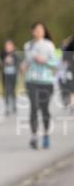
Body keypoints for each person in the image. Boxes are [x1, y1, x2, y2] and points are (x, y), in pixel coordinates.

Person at [22, 22, 59, 150]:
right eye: (36, 29)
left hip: (46, 81)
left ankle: (46, 134)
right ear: (32, 31)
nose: (38, 32)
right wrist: (23, 66)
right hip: (31, 81)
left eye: (41, 29)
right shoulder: (28, 46)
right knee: (33, 107)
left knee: (44, 109)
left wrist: (45, 61)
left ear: (44, 32)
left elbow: (56, 64)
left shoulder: (49, 45)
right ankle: (34, 136)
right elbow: (26, 61)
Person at [1, 40, 19, 115]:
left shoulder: (15, 54)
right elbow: (0, 64)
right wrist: (5, 61)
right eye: (7, 46)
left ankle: (14, 105)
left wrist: (12, 61)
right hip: (5, 74)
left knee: (12, 90)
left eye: (9, 46)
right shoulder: (3, 54)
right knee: (7, 90)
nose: (8, 47)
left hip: (13, 74)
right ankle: (7, 107)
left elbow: (17, 63)